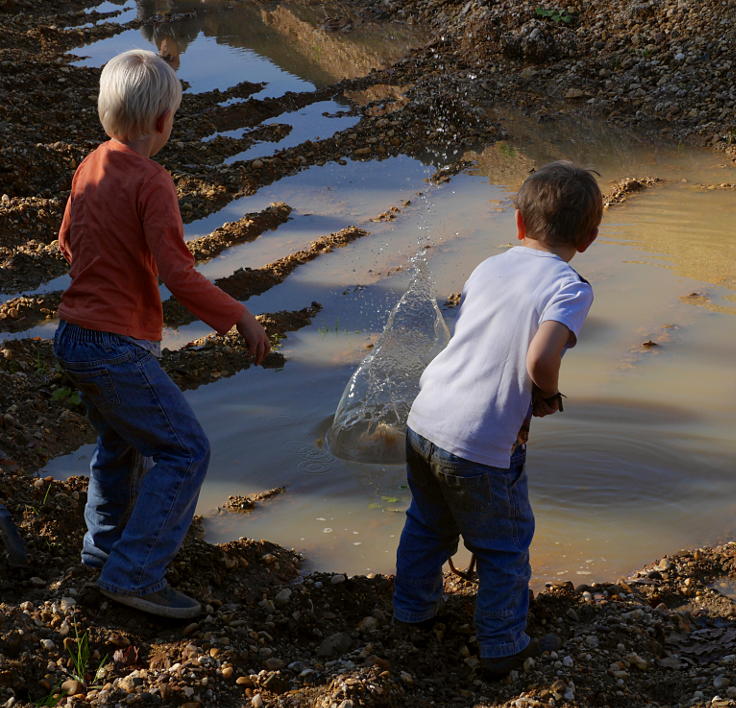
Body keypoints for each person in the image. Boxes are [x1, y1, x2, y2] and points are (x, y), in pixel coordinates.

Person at [53, 49, 270, 619]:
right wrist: (239, 316)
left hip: (74, 335)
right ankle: (135, 573)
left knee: (120, 445)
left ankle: (102, 555)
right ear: (163, 122)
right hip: (115, 346)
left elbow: (68, 241)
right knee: (184, 450)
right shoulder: (153, 180)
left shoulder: (91, 162)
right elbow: (178, 273)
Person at [392, 161, 602, 680]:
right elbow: (539, 360)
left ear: (518, 223)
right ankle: (502, 645)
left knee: (427, 522)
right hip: (481, 442)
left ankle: (412, 612)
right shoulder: (571, 287)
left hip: (427, 419)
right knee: (504, 544)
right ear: (590, 237)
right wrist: (547, 396)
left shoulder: (489, 266)